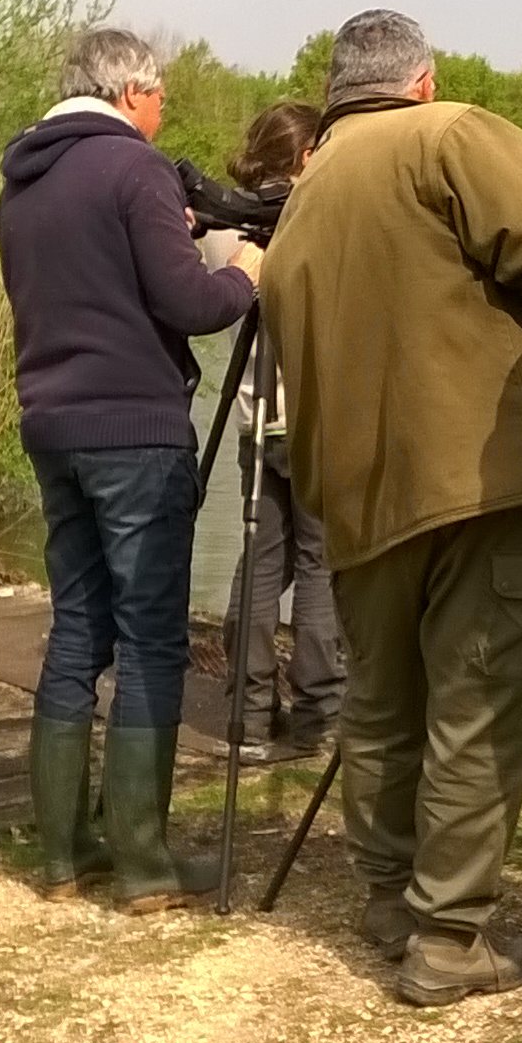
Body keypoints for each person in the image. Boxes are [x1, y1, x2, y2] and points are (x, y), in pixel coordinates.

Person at [262, 8, 522, 1006]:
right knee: (477, 703)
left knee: (383, 707)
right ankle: (450, 935)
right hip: (477, 479)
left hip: (358, 495)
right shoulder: (448, 133)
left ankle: (389, 899)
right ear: (423, 77)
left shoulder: (306, 191)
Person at [0, 27, 257, 913]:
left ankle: (64, 855)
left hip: (52, 421)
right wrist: (246, 274)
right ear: (131, 93)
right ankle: (145, 863)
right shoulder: (132, 167)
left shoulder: (22, 181)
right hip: (135, 428)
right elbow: (188, 302)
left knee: (78, 629)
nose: (162, 115)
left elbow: (86, 284)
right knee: (150, 637)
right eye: (160, 98)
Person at [203, 101, 345, 764]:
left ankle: (247, 713)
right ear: (306, 154)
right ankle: (319, 711)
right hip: (318, 419)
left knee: (261, 564)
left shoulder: (227, 227)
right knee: (322, 566)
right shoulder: (319, 217)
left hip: (256, 422)